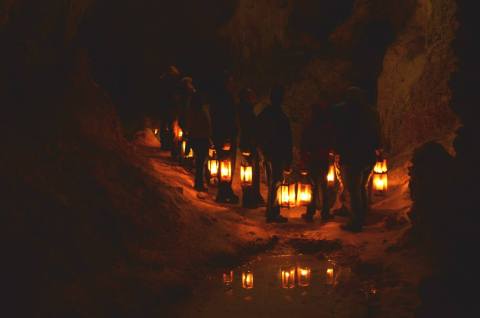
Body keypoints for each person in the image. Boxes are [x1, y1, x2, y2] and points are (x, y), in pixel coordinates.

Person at [334, 87, 381, 232]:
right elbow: (377, 133)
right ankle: (361, 216)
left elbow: (342, 134)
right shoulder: (371, 113)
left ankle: (356, 222)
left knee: (354, 189)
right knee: (361, 187)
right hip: (368, 155)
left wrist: (339, 149)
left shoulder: (349, 114)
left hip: (353, 155)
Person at [257, 85, 292, 223]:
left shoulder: (267, 113)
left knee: (274, 181)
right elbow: (287, 139)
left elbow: (258, 129)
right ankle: (272, 212)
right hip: (277, 153)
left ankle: (272, 210)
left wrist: (262, 148)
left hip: (269, 152)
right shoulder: (280, 116)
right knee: (276, 181)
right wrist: (288, 158)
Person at [300, 102, 336, 223]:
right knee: (323, 185)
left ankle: (311, 212)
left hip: (314, 159)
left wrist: (305, 157)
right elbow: (330, 141)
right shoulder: (325, 126)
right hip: (322, 158)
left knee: (314, 186)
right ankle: (324, 212)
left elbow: (304, 143)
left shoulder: (310, 126)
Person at [209, 73, 239, 203]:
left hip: (222, 134)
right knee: (226, 163)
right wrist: (227, 137)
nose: (233, 85)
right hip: (225, 135)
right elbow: (226, 118)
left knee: (226, 163)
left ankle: (226, 189)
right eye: (230, 82)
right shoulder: (224, 98)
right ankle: (224, 190)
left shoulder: (220, 98)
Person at [238, 88, 265, 208]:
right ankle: (250, 198)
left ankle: (252, 196)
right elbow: (249, 128)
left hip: (249, 143)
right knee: (249, 171)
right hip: (248, 144)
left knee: (251, 171)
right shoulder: (246, 110)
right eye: (250, 96)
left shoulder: (247, 110)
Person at [185, 92, 211, 192]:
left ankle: (199, 181)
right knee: (200, 161)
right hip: (201, 138)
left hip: (196, 138)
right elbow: (204, 125)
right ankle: (199, 183)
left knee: (200, 161)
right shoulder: (199, 112)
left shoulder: (192, 112)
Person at [159, 65, 182, 151]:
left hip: (168, 106)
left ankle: (167, 144)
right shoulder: (169, 83)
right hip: (168, 106)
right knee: (168, 125)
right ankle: (167, 144)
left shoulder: (167, 81)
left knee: (168, 125)